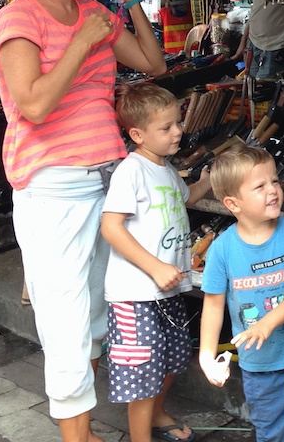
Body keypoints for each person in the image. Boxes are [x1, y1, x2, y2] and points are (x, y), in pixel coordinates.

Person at [0, 0, 166, 442]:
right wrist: (84, 41)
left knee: (98, 311)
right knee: (66, 321)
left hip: (109, 178)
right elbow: (35, 105)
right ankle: (76, 436)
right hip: (54, 186)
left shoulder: (94, 11)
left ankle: (84, 429)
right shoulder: (18, 17)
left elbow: (153, 64)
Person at [101, 83, 212, 442]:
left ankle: (158, 414)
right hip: (135, 294)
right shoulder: (131, 171)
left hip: (168, 289)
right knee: (143, 372)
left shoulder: (165, 169)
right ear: (137, 134)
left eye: (177, 123)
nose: (178, 131)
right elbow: (111, 227)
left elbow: (185, 200)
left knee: (171, 360)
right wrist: (155, 267)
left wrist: (206, 182)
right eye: (166, 128)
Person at [197, 144, 284, 442]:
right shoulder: (222, 249)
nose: (273, 190)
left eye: (275, 180)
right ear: (233, 203)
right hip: (261, 366)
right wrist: (205, 356)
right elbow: (213, 305)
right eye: (260, 186)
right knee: (272, 433)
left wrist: (266, 323)